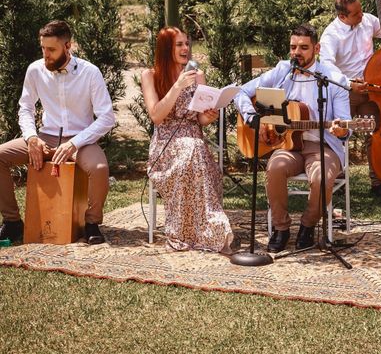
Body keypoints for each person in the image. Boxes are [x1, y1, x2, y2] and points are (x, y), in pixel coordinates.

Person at [235, 23, 351, 253]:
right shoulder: (282, 71)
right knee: (275, 168)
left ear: (316, 48)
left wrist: (342, 130)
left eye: (303, 47)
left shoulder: (333, 78)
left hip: (322, 145)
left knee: (322, 177)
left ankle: (308, 225)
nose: (296, 52)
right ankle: (281, 228)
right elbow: (240, 91)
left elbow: (346, 124)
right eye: (293, 47)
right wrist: (252, 119)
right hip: (287, 145)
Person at [0, 20, 116, 245]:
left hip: (80, 142)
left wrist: (75, 143)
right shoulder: (35, 70)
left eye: (51, 49)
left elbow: (106, 117)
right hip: (44, 138)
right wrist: (31, 137)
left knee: (100, 168)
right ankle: (13, 223)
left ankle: (91, 223)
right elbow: (25, 107)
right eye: (43, 48)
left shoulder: (90, 73)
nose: (46, 55)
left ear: (68, 46)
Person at [141, 27, 233, 253]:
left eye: (187, 44)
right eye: (179, 44)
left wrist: (208, 116)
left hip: (194, 139)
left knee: (194, 149)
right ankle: (187, 230)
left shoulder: (197, 75)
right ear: (166, 49)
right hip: (166, 143)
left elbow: (199, 118)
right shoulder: (150, 75)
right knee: (192, 153)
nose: (185, 49)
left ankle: (212, 228)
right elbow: (156, 116)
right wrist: (177, 87)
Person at [319, 0, 381, 198]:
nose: (362, 15)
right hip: (343, 92)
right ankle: (337, 181)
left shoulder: (368, 20)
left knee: (375, 133)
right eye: (355, 13)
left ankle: (378, 183)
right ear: (342, 16)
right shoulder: (331, 34)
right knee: (337, 135)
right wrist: (349, 84)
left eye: (361, 9)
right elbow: (327, 67)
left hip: (371, 88)